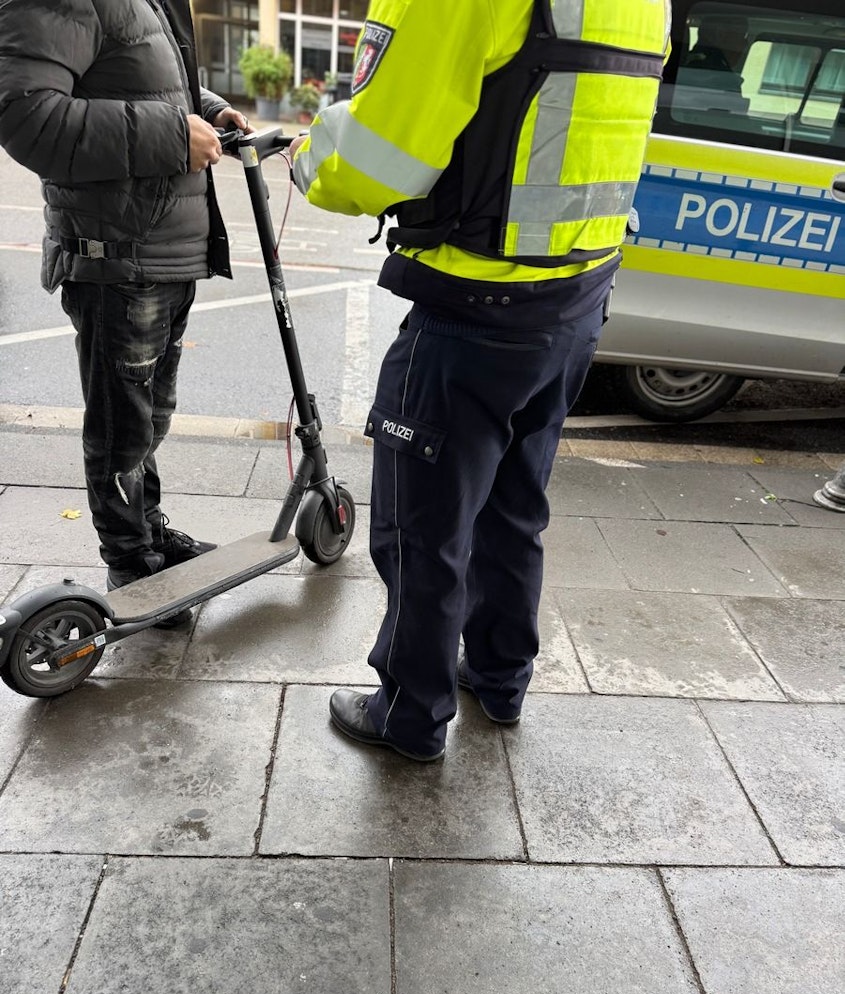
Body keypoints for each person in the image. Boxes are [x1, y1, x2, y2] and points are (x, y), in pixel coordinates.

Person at [290, 0, 670, 761]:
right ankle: (498, 679)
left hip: (473, 308)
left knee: (423, 533)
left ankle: (409, 716)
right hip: (575, 296)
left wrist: (305, 159)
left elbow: (375, 162)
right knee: (513, 508)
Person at [0, 0, 248, 626]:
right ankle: (131, 562)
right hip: (118, 254)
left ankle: (147, 534)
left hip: (158, 248)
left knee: (146, 419)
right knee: (122, 426)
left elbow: (141, 76)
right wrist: (172, 133)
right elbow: (25, 115)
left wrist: (207, 109)